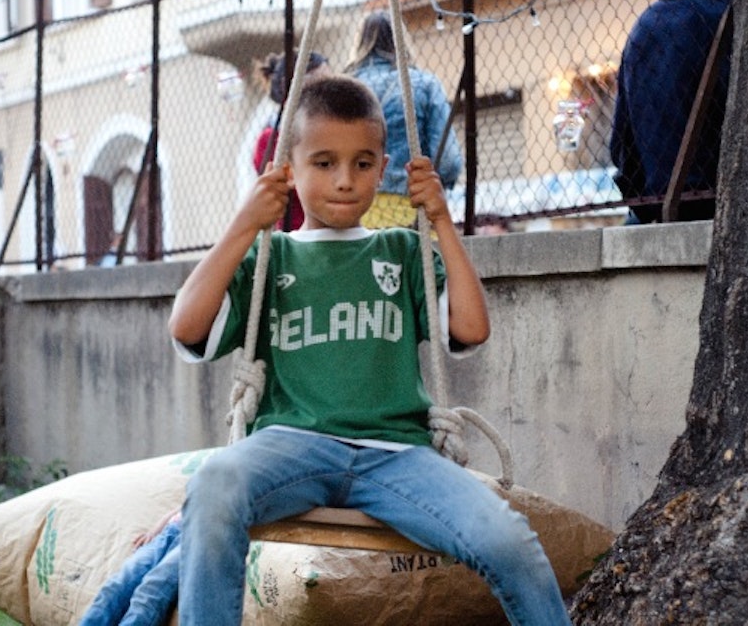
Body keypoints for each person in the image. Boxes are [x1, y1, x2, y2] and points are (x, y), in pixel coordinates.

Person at [168, 74, 568, 626]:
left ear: (383, 169)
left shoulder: (401, 250)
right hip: (291, 446)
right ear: (290, 169)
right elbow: (185, 326)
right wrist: (244, 222)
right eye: (324, 162)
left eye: (362, 163)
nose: (344, 180)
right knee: (214, 485)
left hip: (398, 454)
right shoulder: (272, 257)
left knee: (509, 538)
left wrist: (443, 222)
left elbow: (472, 328)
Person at [610, 0, 732, 224]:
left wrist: (648, 206)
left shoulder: (642, 28)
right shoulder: (729, 22)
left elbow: (622, 148)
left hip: (658, 214)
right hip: (726, 211)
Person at [344, 11, 463, 229]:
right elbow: (449, 161)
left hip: (353, 212)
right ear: (401, 39)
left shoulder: (343, 88)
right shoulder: (423, 84)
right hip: (412, 210)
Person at [252, 50, 331, 231]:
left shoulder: (330, 129)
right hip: (297, 234)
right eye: (321, 85)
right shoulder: (270, 141)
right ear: (294, 92)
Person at [78, 506, 182, 626]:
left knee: (152, 588)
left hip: (194, 539)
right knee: (118, 584)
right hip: (171, 530)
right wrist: (154, 531)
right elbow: (183, 505)